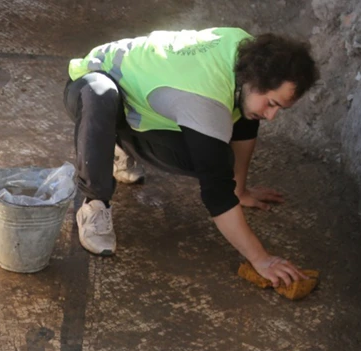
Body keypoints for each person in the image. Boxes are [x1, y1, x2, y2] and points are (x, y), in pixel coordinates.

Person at [64, 27, 318, 286]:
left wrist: (240, 191)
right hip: (92, 82)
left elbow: (245, 121)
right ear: (255, 81)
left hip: (145, 95)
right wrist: (261, 259)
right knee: (102, 96)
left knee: (226, 138)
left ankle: (119, 142)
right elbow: (216, 193)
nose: (272, 116)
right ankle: (95, 201)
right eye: (272, 104)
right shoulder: (206, 98)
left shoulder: (250, 57)